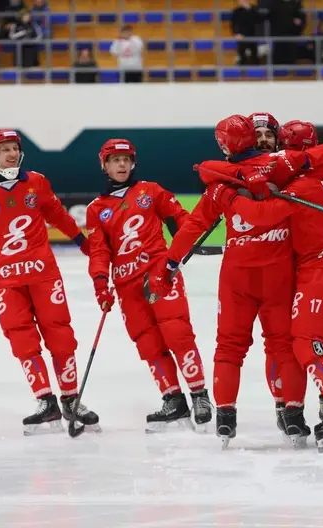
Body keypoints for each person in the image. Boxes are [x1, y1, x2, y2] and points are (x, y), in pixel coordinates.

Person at [145, 114, 312, 448]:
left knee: (231, 346)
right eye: (258, 134)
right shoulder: (287, 170)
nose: (264, 139)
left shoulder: (221, 181)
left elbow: (193, 227)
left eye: (269, 134)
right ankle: (292, 414)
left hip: (239, 275)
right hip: (277, 273)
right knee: (282, 345)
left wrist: (169, 264)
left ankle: (226, 416)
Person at [221, 120, 323, 452]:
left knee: (303, 342)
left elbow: (261, 207)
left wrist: (230, 198)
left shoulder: (294, 185)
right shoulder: (317, 179)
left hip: (315, 272)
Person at [0, 129, 100, 435]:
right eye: (4, 150)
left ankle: (71, 399)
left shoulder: (36, 182)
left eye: (15, 148)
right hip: (7, 281)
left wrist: (82, 242)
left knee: (61, 337)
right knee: (22, 340)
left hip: (43, 274)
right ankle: (46, 401)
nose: (11, 154)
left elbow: (58, 215)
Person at [85, 139, 212, 432]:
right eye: (114, 160)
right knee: (149, 343)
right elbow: (100, 251)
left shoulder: (151, 190)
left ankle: (200, 395)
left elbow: (181, 219)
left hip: (159, 272)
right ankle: (174, 400)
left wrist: (187, 235)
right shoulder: (96, 209)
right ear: (104, 165)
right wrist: (101, 283)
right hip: (126, 284)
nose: (121, 165)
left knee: (177, 332)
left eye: (125, 160)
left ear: (133, 163)